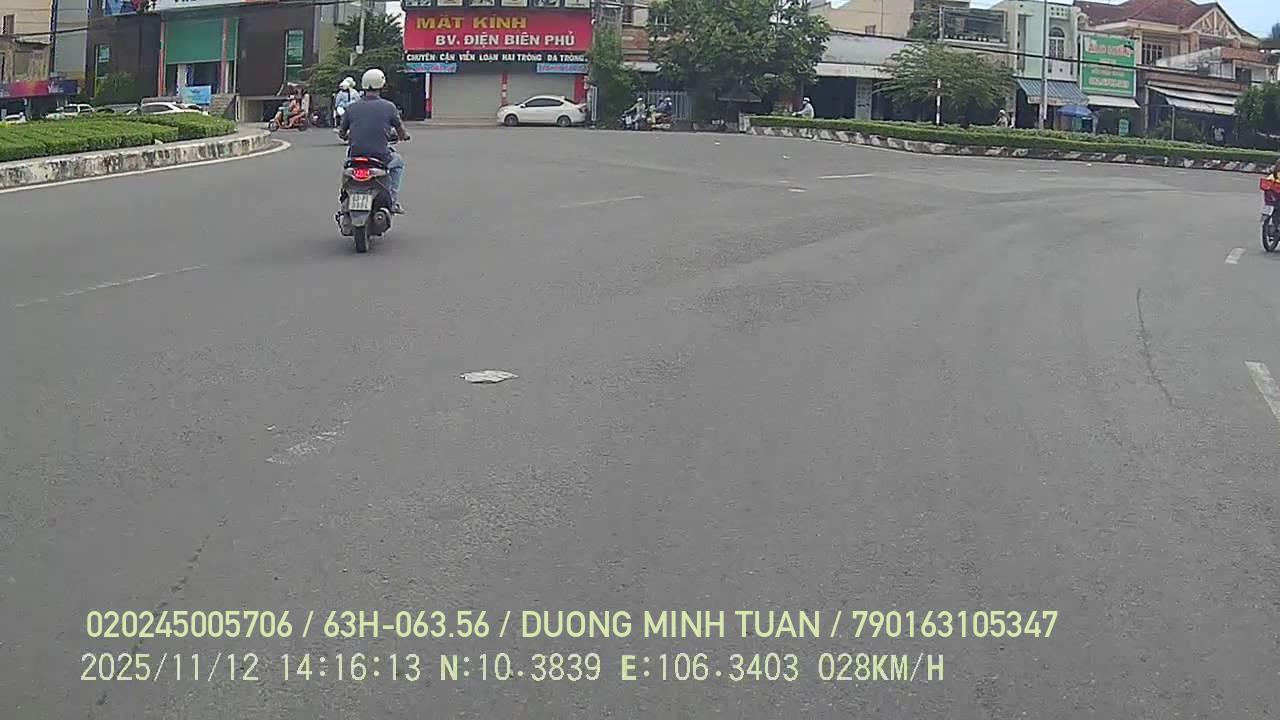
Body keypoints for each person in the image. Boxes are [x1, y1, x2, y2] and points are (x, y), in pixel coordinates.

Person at [339, 68, 410, 214]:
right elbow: (401, 131)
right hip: (381, 158)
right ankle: (392, 200)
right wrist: (404, 136)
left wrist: (348, 136)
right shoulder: (389, 107)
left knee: (347, 174)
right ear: (381, 85)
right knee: (398, 163)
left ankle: (345, 198)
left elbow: (342, 133)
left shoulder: (351, 107)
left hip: (355, 158)